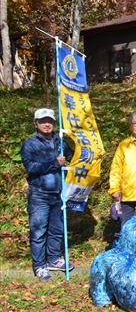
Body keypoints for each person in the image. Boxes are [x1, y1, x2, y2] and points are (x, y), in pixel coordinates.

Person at [21, 108, 74, 281]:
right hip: (39, 195)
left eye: (50, 121)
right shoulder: (30, 144)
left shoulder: (60, 142)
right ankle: (39, 266)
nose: (47, 124)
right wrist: (54, 162)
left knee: (56, 230)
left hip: (59, 193)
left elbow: (72, 157)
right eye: (43, 121)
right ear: (36, 124)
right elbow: (31, 167)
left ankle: (53, 259)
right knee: (38, 231)